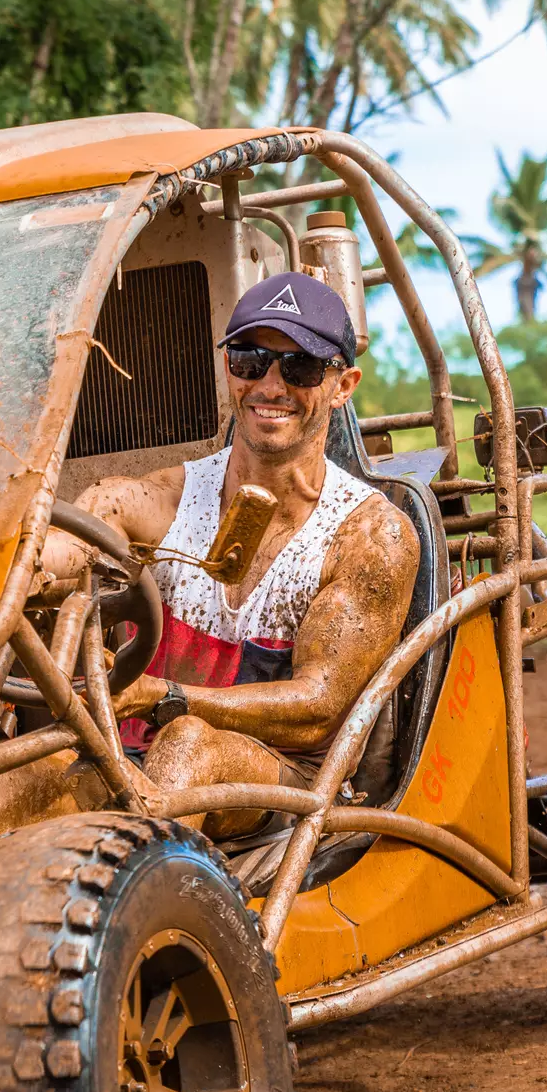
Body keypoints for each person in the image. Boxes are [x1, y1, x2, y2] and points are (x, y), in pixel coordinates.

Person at [44, 271, 420, 829]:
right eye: (249, 359)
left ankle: (139, 898)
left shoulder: (370, 536)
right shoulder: (146, 500)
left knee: (189, 742)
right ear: (230, 369)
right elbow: (54, 556)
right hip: (124, 762)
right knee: (3, 779)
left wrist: (161, 696)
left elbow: (317, 711)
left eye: (300, 367)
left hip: (284, 782)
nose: (271, 385)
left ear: (342, 386)